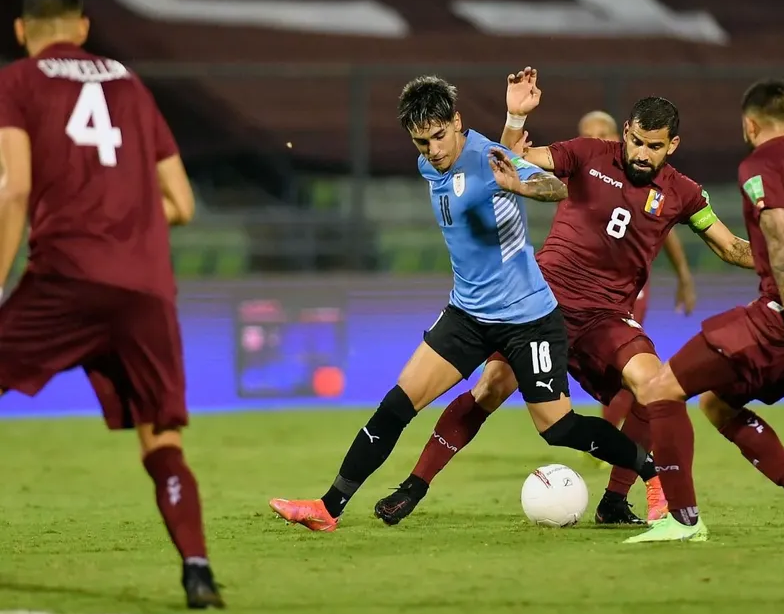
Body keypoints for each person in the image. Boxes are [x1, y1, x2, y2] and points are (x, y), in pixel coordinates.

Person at [269, 76, 666, 533]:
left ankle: (652, 475)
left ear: (458, 122)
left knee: (559, 429)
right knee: (397, 404)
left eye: (441, 136)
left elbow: (555, 188)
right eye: (422, 141)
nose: (434, 149)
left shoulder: (487, 159)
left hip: (528, 319)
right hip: (468, 314)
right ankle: (328, 508)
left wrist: (521, 185)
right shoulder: (429, 164)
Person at [373, 68, 756, 528]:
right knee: (491, 388)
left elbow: (731, 247)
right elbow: (510, 159)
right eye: (636, 141)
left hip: (606, 318)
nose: (641, 152)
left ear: (672, 145)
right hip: (541, 304)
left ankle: (616, 500)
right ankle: (414, 485)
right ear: (626, 132)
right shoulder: (588, 153)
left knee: (656, 387)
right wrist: (516, 117)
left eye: (654, 146)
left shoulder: (685, 193)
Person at [0, 0, 221, 607]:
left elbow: (14, 189)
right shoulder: (126, 80)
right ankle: (198, 569)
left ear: (22, 32)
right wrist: (122, 206)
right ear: (83, 27)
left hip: (67, 276)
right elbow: (181, 202)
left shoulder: (17, 82)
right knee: (163, 442)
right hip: (145, 287)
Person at [624, 79, 784, 544]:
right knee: (716, 403)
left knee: (660, 389)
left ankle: (683, 520)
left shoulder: (761, 164)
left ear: (749, 124)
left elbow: (783, 241)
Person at [577, 109, 696, 522]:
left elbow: (671, 231)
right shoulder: (585, 170)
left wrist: (683, 276)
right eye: (588, 134)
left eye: (602, 132)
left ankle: (619, 484)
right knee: (495, 383)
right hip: (566, 297)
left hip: (619, 299)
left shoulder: (664, 189)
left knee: (640, 380)